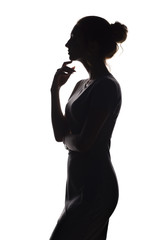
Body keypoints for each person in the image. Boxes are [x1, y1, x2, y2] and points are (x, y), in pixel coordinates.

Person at [50, 16, 128, 240]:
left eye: (74, 37)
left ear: (92, 44)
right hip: (76, 185)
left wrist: (68, 140)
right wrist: (54, 90)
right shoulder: (79, 85)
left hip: (96, 188)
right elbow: (59, 134)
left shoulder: (107, 87)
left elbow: (84, 142)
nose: (67, 44)